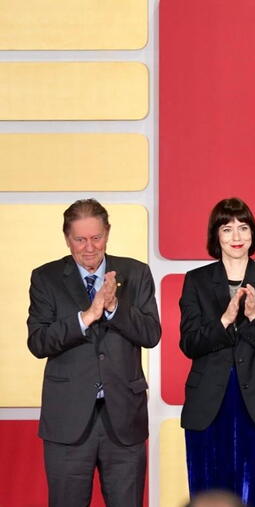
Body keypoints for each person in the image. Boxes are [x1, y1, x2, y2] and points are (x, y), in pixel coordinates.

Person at [27, 198, 161, 506]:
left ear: (108, 233)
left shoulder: (135, 273)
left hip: (124, 421)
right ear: (67, 238)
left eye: (96, 237)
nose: (89, 247)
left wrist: (113, 306)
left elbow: (151, 334)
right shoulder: (45, 278)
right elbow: (38, 341)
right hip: (68, 422)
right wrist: (87, 316)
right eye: (80, 239)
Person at [179, 198, 255, 507]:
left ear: (253, 233)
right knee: (209, 491)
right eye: (227, 229)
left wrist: (254, 317)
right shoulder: (196, 280)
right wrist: (225, 319)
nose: (236, 237)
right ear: (216, 236)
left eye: (243, 228)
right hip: (209, 402)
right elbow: (189, 343)